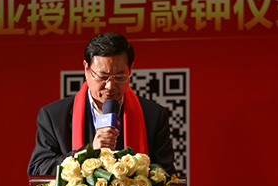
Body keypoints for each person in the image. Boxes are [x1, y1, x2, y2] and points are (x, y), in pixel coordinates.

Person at [27, 32, 176, 176]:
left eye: (119, 77)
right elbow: (38, 169)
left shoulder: (153, 115)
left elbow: (166, 175)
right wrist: (86, 153)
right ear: (86, 69)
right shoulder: (54, 116)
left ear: (130, 70)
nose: (110, 86)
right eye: (103, 76)